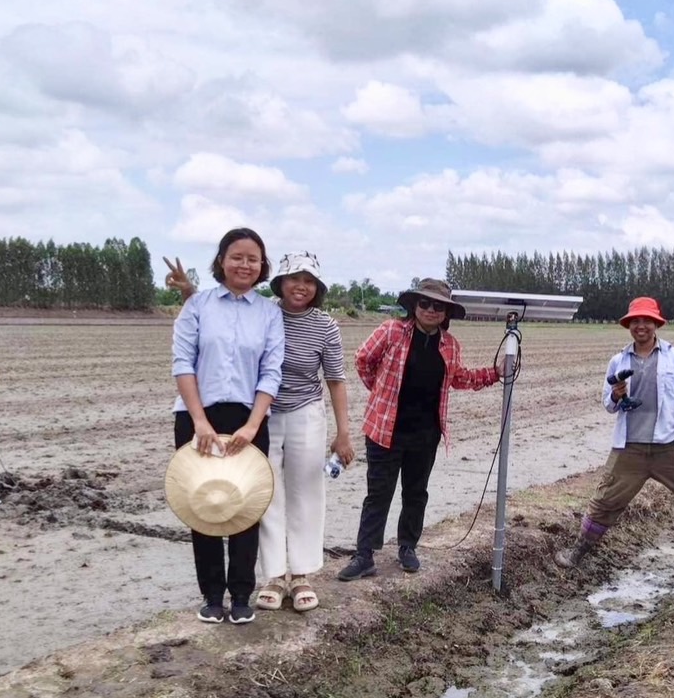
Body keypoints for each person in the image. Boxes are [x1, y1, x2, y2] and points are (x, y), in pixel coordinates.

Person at [166, 252, 354, 615]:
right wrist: (189, 290)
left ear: (318, 288)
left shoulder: (325, 326)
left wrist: (343, 432)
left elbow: (336, 379)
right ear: (279, 283)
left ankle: (301, 574)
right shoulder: (263, 310)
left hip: (303, 413)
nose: (301, 286)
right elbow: (219, 317)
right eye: (293, 279)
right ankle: (273, 576)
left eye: (309, 281)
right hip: (258, 415)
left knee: (306, 492)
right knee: (264, 495)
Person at [336, 279, 501, 581]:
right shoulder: (391, 331)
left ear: (446, 312)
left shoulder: (449, 345)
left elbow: (459, 378)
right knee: (378, 495)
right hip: (385, 430)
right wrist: (381, 393)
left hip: (425, 434)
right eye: (425, 303)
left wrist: (494, 374)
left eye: (438, 306)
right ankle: (365, 555)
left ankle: (407, 547)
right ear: (414, 306)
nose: (430, 309)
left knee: (416, 493)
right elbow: (363, 360)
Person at [554, 296, 674, 569]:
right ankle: (577, 552)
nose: (641, 325)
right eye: (636, 321)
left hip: (668, 447)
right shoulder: (618, 361)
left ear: (656, 324)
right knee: (603, 503)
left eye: (647, 320)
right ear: (629, 325)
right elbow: (608, 405)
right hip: (628, 449)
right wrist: (616, 395)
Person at [170, 228, 284, 625]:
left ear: (262, 265)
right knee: (203, 503)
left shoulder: (269, 312)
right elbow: (183, 363)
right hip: (197, 416)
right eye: (237, 256)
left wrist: (254, 424)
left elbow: (272, 370)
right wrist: (199, 421)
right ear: (221, 260)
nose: (245, 265)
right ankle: (212, 595)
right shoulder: (197, 306)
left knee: (244, 506)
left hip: (248, 420)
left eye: (253, 259)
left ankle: (241, 595)